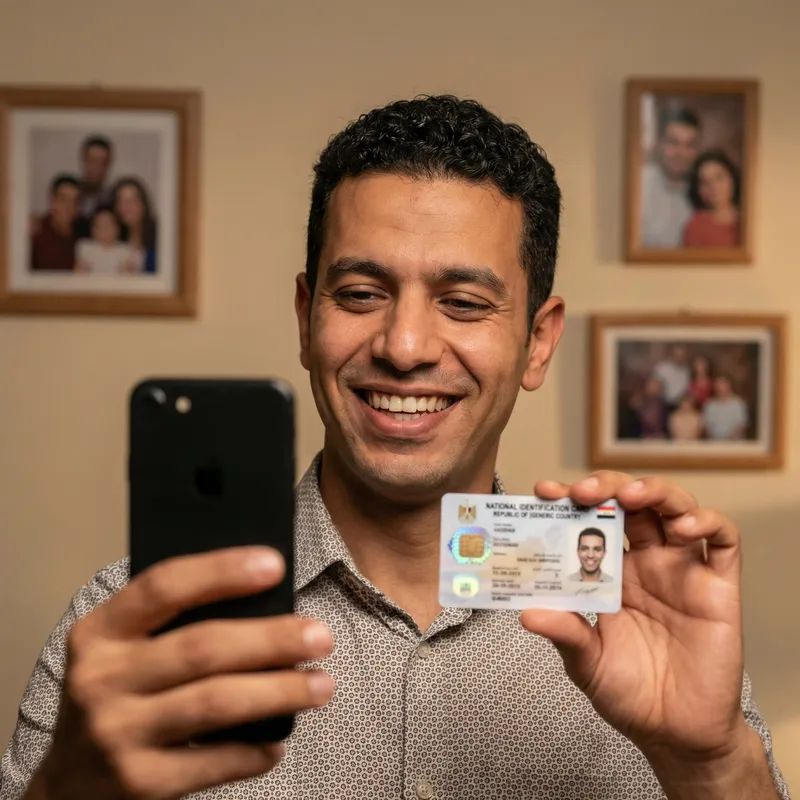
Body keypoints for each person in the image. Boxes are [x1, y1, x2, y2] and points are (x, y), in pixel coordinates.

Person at [0, 95, 788, 800]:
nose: (404, 346)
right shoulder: (129, 629)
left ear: (539, 342)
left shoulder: (639, 623)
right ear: (306, 317)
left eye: (464, 302)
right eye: (360, 294)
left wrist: (713, 764)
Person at [640, 107, 700, 248]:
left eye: (689, 145)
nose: (681, 152)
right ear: (659, 143)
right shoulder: (638, 185)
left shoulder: (702, 190)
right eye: (673, 143)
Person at [682, 150, 741, 247]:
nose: (713, 187)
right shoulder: (695, 226)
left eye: (719, 178)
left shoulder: (751, 219)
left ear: (732, 178)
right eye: (705, 182)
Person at [29, 174, 80, 272]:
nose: (68, 206)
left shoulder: (83, 232)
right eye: (63, 199)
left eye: (74, 201)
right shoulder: (36, 232)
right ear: (52, 201)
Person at [75, 207, 142, 275]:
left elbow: (133, 275)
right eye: (100, 225)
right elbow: (78, 274)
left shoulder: (127, 250)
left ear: (117, 228)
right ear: (93, 229)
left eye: (108, 224)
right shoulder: (85, 247)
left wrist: (129, 271)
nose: (105, 229)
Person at [112, 177, 158, 274]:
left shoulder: (159, 237)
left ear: (143, 204)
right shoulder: (114, 237)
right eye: (122, 201)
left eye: (133, 200)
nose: (128, 206)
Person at [76, 135, 114, 224]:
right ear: (84, 161)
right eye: (93, 161)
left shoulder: (114, 198)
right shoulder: (70, 194)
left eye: (103, 162)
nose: (97, 167)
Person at [703, 375, 749, 440]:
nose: (719, 387)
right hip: (714, 444)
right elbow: (707, 428)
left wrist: (726, 442)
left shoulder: (738, 403)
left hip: (734, 444)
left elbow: (740, 427)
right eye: (717, 384)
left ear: (729, 385)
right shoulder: (710, 405)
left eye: (722, 384)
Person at [651, 343, 691, 412]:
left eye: (682, 355)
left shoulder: (687, 370)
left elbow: (687, 389)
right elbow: (653, 387)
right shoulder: (662, 368)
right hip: (663, 404)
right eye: (677, 355)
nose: (679, 358)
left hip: (680, 405)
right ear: (672, 354)